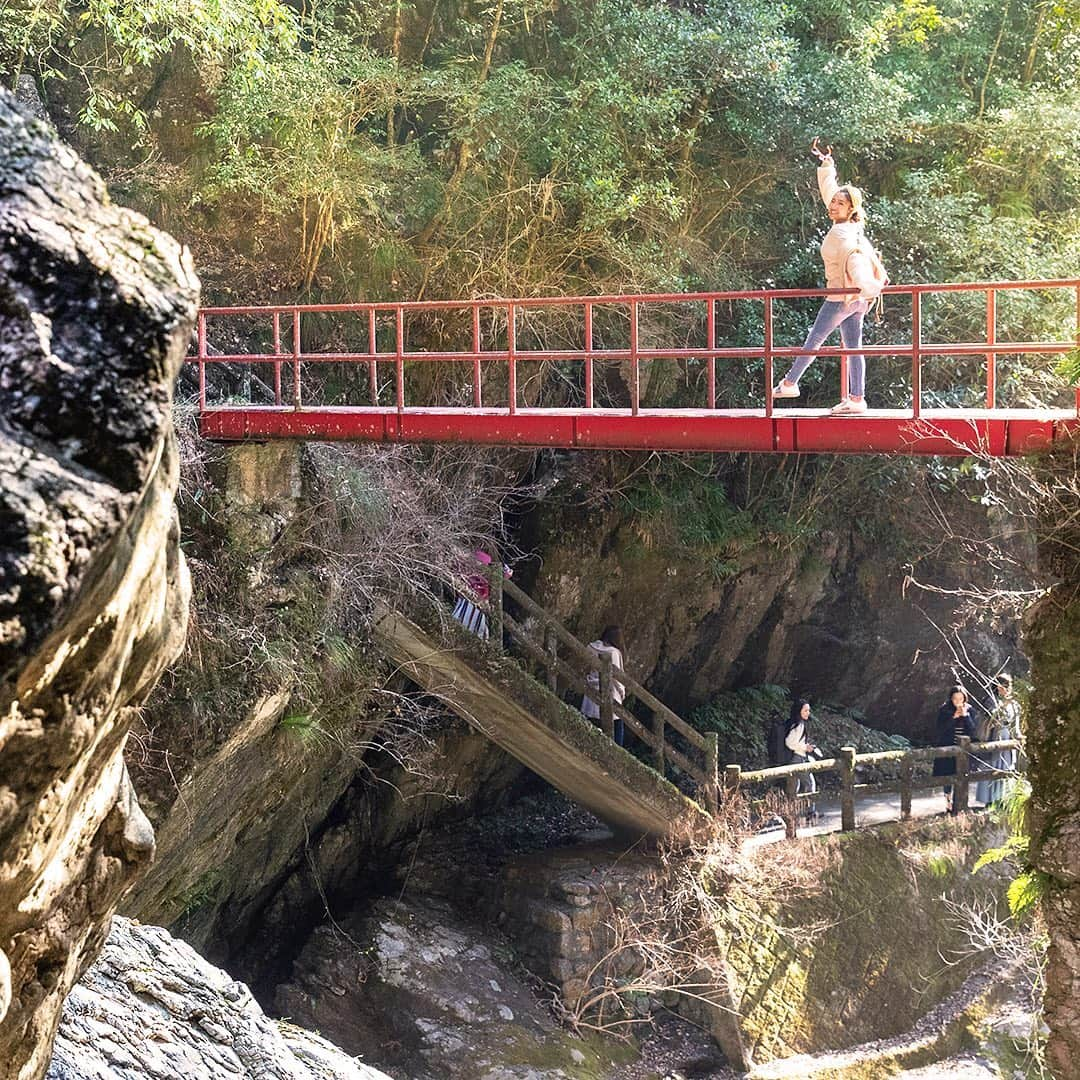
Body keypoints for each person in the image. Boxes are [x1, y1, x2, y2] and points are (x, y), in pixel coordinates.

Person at [773, 141, 886, 415]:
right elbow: (830, 191)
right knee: (853, 347)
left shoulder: (842, 235)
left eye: (840, 203)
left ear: (851, 209)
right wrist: (827, 165)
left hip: (842, 297)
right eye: (834, 201)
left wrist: (866, 286)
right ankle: (856, 399)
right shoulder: (852, 226)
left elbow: (856, 261)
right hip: (857, 301)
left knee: (814, 339)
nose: (834, 205)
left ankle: (790, 383)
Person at [974, 673, 1020, 807]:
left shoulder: (1014, 703)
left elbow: (1015, 724)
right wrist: (1004, 706)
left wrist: (1019, 737)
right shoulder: (990, 700)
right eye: (1004, 686)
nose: (1006, 689)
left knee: (1006, 767)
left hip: (1008, 740)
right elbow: (995, 717)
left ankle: (1003, 800)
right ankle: (989, 801)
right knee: (993, 767)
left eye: (1008, 686)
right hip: (994, 737)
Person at [931, 684, 978, 813]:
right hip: (947, 746)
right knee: (947, 775)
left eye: (960, 699)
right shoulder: (945, 710)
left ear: (964, 699)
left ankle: (961, 804)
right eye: (955, 699)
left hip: (964, 749)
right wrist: (953, 718)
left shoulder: (970, 710)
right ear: (951, 699)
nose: (958, 702)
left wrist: (966, 716)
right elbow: (940, 729)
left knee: (962, 775)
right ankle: (948, 801)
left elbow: (973, 731)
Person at [581, 626, 628, 746]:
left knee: (591, 726)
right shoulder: (614, 652)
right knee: (617, 727)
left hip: (591, 691)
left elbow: (585, 666)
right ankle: (617, 754)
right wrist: (622, 693)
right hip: (609, 693)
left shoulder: (591, 647)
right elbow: (617, 677)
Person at [452, 550, 511, 640]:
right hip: (475, 601)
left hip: (472, 600)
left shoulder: (476, 557)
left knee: (465, 621)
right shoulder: (485, 563)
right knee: (473, 625)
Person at [785, 699, 819, 823]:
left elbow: (794, 742)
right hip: (798, 759)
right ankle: (811, 812)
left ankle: (790, 814)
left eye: (808, 710)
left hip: (794, 758)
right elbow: (789, 742)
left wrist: (805, 746)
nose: (808, 712)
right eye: (805, 710)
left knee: (794, 787)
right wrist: (805, 747)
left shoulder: (794, 723)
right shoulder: (799, 725)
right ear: (799, 711)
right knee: (810, 783)